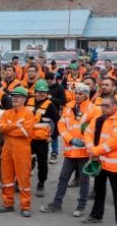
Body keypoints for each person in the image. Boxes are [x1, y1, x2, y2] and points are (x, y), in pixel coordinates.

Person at [41, 83, 101, 216]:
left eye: (81, 94)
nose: (78, 96)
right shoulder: (69, 107)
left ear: (86, 94)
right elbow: (61, 125)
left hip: (85, 152)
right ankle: (56, 204)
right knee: (63, 178)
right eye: (77, 93)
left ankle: (81, 206)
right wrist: (70, 139)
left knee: (84, 180)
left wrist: (85, 142)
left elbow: (95, 130)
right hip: (70, 150)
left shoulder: (94, 110)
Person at [81, 96, 117, 226]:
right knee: (99, 189)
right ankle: (96, 215)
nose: (103, 108)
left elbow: (114, 143)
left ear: (115, 107)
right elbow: (88, 133)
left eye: (106, 106)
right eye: (102, 105)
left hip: (113, 164)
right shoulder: (98, 119)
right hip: (99, 161)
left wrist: (94, 151)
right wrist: (91, 149)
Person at [0, 87, 35, 217]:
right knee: (6, 178)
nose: (14, 98)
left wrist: (9, 128)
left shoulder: (28, 114)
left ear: (24, 99)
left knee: (23, 179)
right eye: (13, 96)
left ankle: (25, 206)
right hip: (7, 149)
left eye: (18, 96)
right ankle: (7, 204)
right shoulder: (7, 113)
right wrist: (15, 125)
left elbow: (25, 132)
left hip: (22, 151)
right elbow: (1, 128)